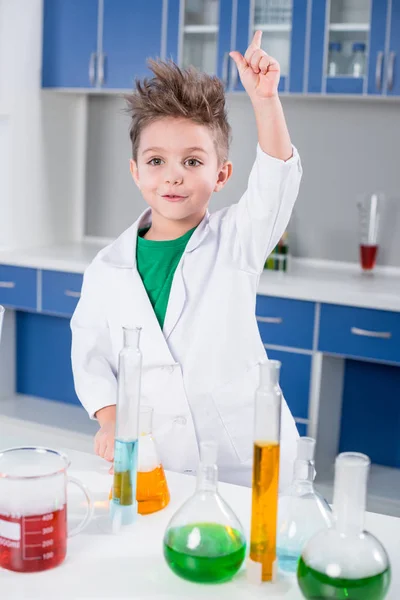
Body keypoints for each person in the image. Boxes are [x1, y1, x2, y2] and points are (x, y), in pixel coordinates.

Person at [71, 31, 303, 489]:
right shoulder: (107, 268)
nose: (173, 174)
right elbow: (91, 355)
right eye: (156, 161)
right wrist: (110, 419)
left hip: (246, 461)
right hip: (157, 459)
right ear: (136, 171)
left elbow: (275, 183)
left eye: (193, 162)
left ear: (222, 174)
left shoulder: (237, 241)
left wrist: (265, 102)